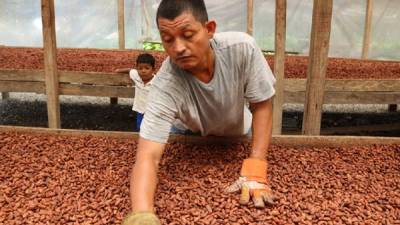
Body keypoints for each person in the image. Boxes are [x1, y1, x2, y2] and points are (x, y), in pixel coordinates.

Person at [122, 0, 276, 224]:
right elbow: (148, 156)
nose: (178, 48)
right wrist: (142, 213)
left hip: (239, 132)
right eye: (168, 40)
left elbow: (261, 103)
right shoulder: (165, 85)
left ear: (209, 29)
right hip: (189, 135)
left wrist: (256, 168)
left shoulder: (241, 49)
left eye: (188, 34)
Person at [115, 53, 156, 131]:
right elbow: (130, 70)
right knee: (140, 127)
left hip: (152, 110)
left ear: (153, 69)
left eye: (147, 68)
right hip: (140, 109)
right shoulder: (136, 75)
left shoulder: (157, 81)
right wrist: (119, 70)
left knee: (151, 128)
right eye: (140, 68)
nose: (143, 71)